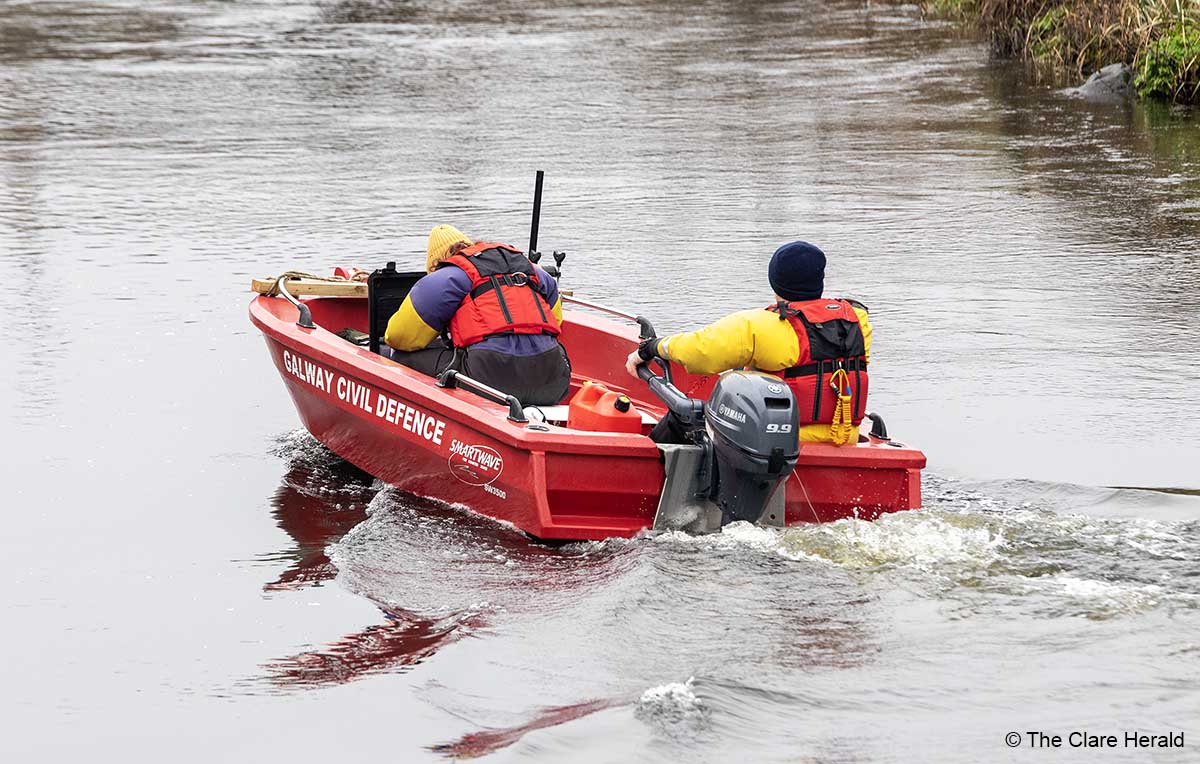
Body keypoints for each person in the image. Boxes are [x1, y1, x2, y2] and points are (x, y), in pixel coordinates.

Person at [625, 240, 872, 446]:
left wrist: (652, 347)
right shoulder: (857, 321)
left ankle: (648, 479)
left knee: (682, 417)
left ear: (775, 281)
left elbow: (700, 352)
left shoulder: (761, 326)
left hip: (774, 442)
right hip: (845, 439)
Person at [384, 224, 571, 406]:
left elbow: (398, 337)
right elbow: (556, 322)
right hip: (553, 382)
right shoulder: (532, 271)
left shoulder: (447, 277)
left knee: (400, 356)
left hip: (490, 382)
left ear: (436, 264)